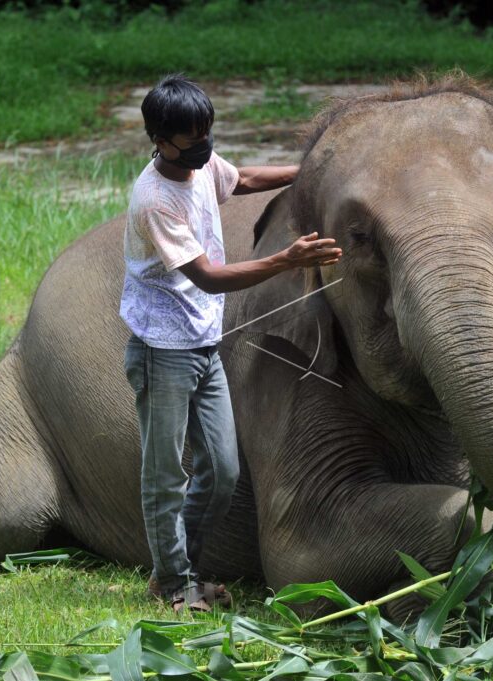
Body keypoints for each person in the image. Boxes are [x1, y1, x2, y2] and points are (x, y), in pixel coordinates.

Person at [119, 74, 341, 614]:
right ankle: (173, 583)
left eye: (207, 132)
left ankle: (183, 568)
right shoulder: (156, 200)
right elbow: (209, 277)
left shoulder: (198, 167)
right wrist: (286, 261)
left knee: (222, 470)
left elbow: (239, 179)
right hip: (163, 350)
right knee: (166, 472)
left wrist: (311, 172)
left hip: (202, 341)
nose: (203, 145)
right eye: (191, 138)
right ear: (159, 138)